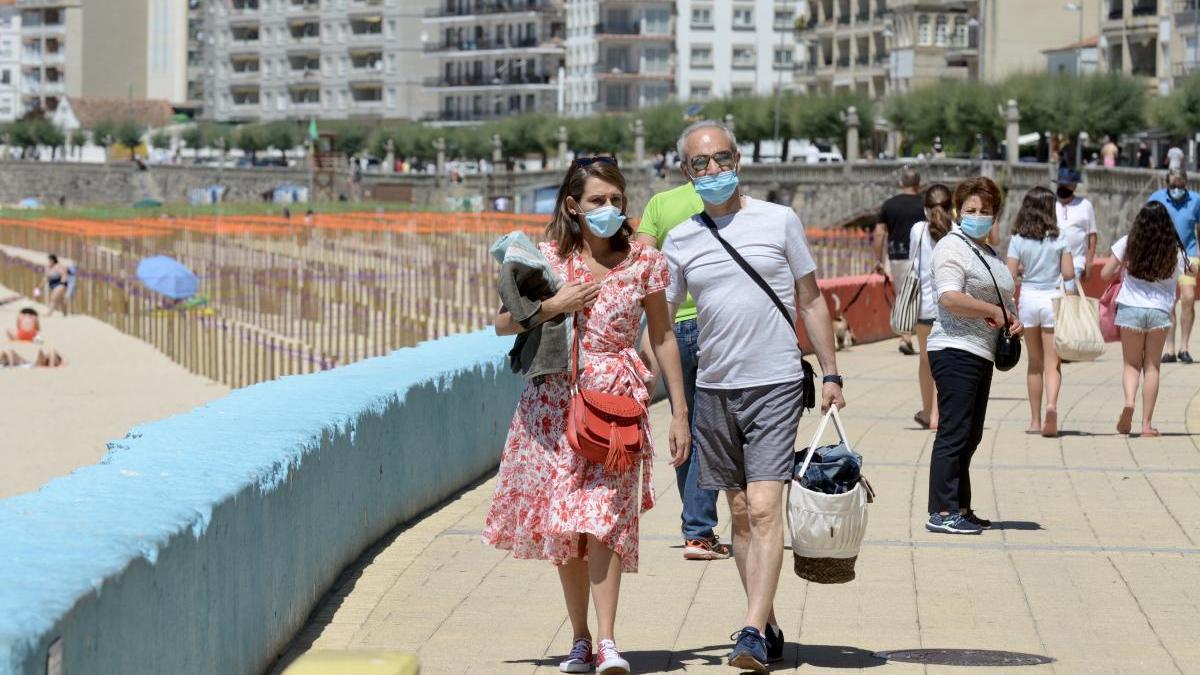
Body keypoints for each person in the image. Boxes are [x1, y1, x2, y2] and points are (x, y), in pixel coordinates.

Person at [484, 156, 691, 675]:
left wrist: (680, 411)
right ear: (573, 205)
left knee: (605, 523)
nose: (609, 209)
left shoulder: (644, 261)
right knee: (567, 527)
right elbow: (502, 324)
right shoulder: (545, 257)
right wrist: (557, 303)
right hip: (554, 408)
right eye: (597, 200)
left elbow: (662, 336)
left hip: (617, 405)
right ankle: (579, 639)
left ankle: (607, 642)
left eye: (616, 200)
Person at [662, 120, 844, 671]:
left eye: (721, 159)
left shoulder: (778, 220)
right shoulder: (681, 240)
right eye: (701, 163)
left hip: (777, 383)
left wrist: (831, 372)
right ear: (686, 172)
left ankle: (748, 630)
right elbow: (662, 328)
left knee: (766, 507)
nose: (713, 170)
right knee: (739, 515)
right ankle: (763, 620)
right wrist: (676, 406)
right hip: (715, 389)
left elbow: (810, 299)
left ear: (738, 160)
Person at [635, 181, 732, 561]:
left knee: (684, 422)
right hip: (713, 324)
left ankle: (695, 525)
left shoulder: (660, 203)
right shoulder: (728, 200)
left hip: (670, 327)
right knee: (708, 430)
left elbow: (640, 259)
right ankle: (698, 530)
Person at [926, 176, 1023, 535]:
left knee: (971, 434)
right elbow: (949, 296)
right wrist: (993, 311)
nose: (977, 215)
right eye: (971, 209)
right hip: (954, 347)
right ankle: (941, 510)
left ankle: (960, 506)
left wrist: (1010, 317)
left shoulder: (988, 251)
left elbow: (1002, 297)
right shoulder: (952, 247)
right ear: (958, 211)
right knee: (954, 432)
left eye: (985, 211)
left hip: (980, 350)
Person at [1102, 202, 1195, 437]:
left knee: (1131, 364)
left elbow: (1105, 273)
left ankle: (1129, 402)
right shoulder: (1174, 248)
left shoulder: (1128, 242)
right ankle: (1146, 425)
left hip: (1131, 309)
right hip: (1159, 313)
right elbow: (1191, 271)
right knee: (1152, 366)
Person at [1006, 187, 1075, 438]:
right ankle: (1052, 406)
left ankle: (1035, 421)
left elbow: (1009, 276)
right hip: (1052, 300)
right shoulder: (1060, 237)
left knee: (1034, 364)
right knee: (1052, 363)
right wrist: (1074, 300)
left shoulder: (1017, 239)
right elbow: (1068, 275)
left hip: (1028, 300)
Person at [907, 184, 954, 430]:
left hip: (925, 307)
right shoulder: (957, 232)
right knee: (948, 362)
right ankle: (941, 412)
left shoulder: (918, 230)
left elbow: (912, 266)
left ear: (926, 209)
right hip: (952, 306)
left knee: (926, 361)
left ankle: (928, 412)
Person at [1148, 170, 1200, 363]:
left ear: (1186, 183)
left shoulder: (1196, 200)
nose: (1176, 189)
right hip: (1164, 254)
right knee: (1168, 302)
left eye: (1180, 185)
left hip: (1189, 254)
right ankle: (1169, 348)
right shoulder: (1156, 198)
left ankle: (1184, 347)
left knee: (1188, 297)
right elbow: (1148, 223)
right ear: (1166, 183)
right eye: (1173, 186)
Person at [875, 167, 925, 355]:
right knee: (920, 296)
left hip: (896, 256)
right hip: (920, 256)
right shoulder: (924, 205)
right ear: (919, 184)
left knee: (903, 295)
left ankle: (905, 337)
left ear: (901, 183)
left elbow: (880, 233)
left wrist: (878, 260)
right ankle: (911, 337)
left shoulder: (889, 205)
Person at [1053, 167, 1097, 284]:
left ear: (1074, 186)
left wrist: (1089, 263)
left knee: (1069, 296)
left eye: (1067, 185)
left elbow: (1092, 236)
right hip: (1051, 263)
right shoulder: (1050, 203)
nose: (1063, 187)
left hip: (1076, 262)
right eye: (1061, 184)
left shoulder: (1085, 205)